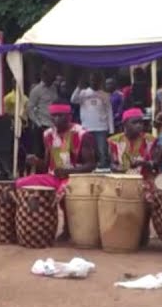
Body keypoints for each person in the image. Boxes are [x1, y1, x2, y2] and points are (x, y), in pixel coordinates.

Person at [19, 101, 95, 239]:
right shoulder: (48, 134)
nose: (56, 119)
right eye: (53, 116)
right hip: (54, 177)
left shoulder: (82, 134)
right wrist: (37, 161)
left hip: (75, 178)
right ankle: (27, 226)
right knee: (20, 184)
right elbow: (47, 165)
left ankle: (68, 229)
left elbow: (90, 165)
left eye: (60, 116)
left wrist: (68, 172)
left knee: (63, 190)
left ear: (69, 116)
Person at [71, 71, 114, 169]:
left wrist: (111, 129)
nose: (94, 82)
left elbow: (109, 112)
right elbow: (73, 100)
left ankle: (103, 171)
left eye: (96, 80)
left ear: (100, 82)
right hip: (86, 127)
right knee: (88, 152)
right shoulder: (83, 93)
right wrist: (78, 87)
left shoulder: (105, 95)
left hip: (101, 127)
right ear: (89, 81)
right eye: (92, 80)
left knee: (102, 152)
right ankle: (90, 170)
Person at [24, 66, 58, 164]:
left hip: (54, 125)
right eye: (51, 78)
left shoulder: (54, 88)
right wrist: (38, 123)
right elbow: (30, 108)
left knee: (54, 149)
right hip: (43, 125)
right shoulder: (36, 90)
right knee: (41, 152)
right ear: (44, 76)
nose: (52, 80)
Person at [107, 108, 156, 174]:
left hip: (145, 179)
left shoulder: (150, 139)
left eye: (140, 122)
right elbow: (112, 164)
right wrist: (117, 168)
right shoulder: (114, 141)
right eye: (134, 122)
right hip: (123, 179)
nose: (139, 125)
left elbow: (156, 163)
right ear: (124, 124)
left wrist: (144, 163)